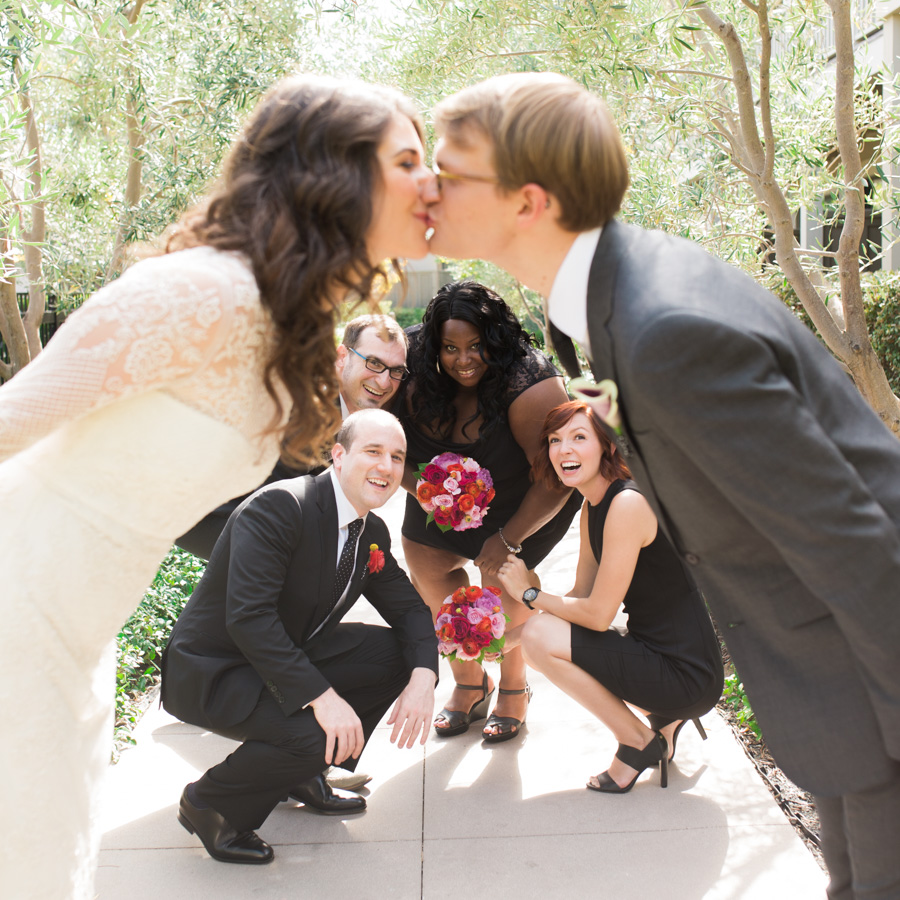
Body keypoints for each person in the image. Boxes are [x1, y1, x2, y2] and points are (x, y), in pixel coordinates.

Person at [425, 71, 900, 899]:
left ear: (528, 201)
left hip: (868, 683)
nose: (427, 190)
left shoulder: (664, 328)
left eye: (448, 173)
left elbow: (855, 545)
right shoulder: (595, 302)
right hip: (826, 688)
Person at [0, 74, 432, 900]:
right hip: (16, 603)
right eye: (408, 161)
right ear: (331, 176)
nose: (431, 182)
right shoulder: (197, 293)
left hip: (79, 630)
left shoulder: (285, 322)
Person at [161, 409, 437, 864]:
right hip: (217, 671)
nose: (386, 466)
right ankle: (210, 804)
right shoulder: (281, 507)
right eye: (373, 451)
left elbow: (409, 610)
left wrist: (424, 676)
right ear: (339, 455)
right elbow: (249, 618)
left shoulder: (370, 531)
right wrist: (322, 698)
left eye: (397, 456)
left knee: (396, 656)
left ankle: (302, 773)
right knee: (312, 733)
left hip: (282, 656)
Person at [497, 400, 723, 792]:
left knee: (539, 638)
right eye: (555, 440)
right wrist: (507, 639)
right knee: (535, 638)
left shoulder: (628, 504)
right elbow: (580, 595)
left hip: (685, 672)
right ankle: (664, 718)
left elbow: (598, 615)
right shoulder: (594, 507)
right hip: (656, 654)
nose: (564, 449)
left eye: (578, 437)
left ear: (608, 445)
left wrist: (530, 593)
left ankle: (639, 741)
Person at [398, 280, 582, 741]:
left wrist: (506, 540)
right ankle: (469, 682)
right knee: (427, 566)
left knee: (501, 590)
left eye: (477, 345)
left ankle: (515, 687)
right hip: (442, 496)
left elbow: (555, 478)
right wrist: (425, 492)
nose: (464, 359)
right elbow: (381, 443)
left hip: (526, 497)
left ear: (495, 340)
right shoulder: (408, 362)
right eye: (451, 348)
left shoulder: (530, 382)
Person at [175, 313, 410, 561]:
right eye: (373, 363)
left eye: (396, 370)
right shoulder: (306, 405)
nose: (384, 381)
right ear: (342, 357)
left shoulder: (351, 403)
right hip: (202, 510)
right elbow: (274, 504)